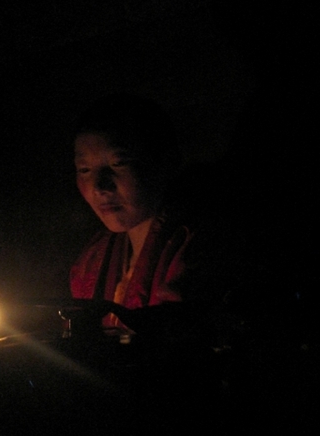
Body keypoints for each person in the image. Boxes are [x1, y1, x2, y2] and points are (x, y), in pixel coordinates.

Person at [69, 93, 227, 339]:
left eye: (119, 163)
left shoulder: (199, 250)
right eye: (85, 169)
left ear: (165, 161)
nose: (100, 186)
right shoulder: (91, 261)